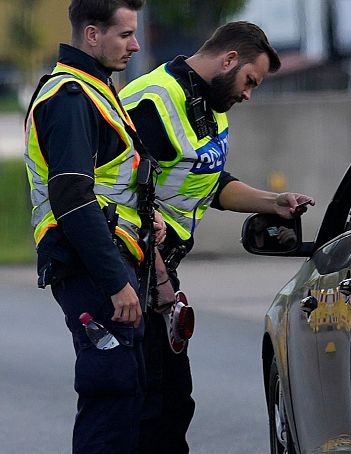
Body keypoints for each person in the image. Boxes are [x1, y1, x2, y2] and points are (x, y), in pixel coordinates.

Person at [119, 21, 314, 452]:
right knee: (146, 407)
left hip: (159, 271)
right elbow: (124, 200)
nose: (248, 94)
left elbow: (207, 180)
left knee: (173, 402)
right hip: (130, 269)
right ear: (228, 60)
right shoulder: (154, 102)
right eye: (250, 81)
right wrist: (162, 283)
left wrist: (273, 202)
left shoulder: (210, 104)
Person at [22, 1, 166, 452]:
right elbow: (72, 198)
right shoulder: (70, 97)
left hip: (106, 260)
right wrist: (115, 283)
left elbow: (105, 183)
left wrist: (145, 218)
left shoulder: (95, 88)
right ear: (91, 34)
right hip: (91, 268)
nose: (136, 45)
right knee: (111, 395)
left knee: (128, 395)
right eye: (125, 35)